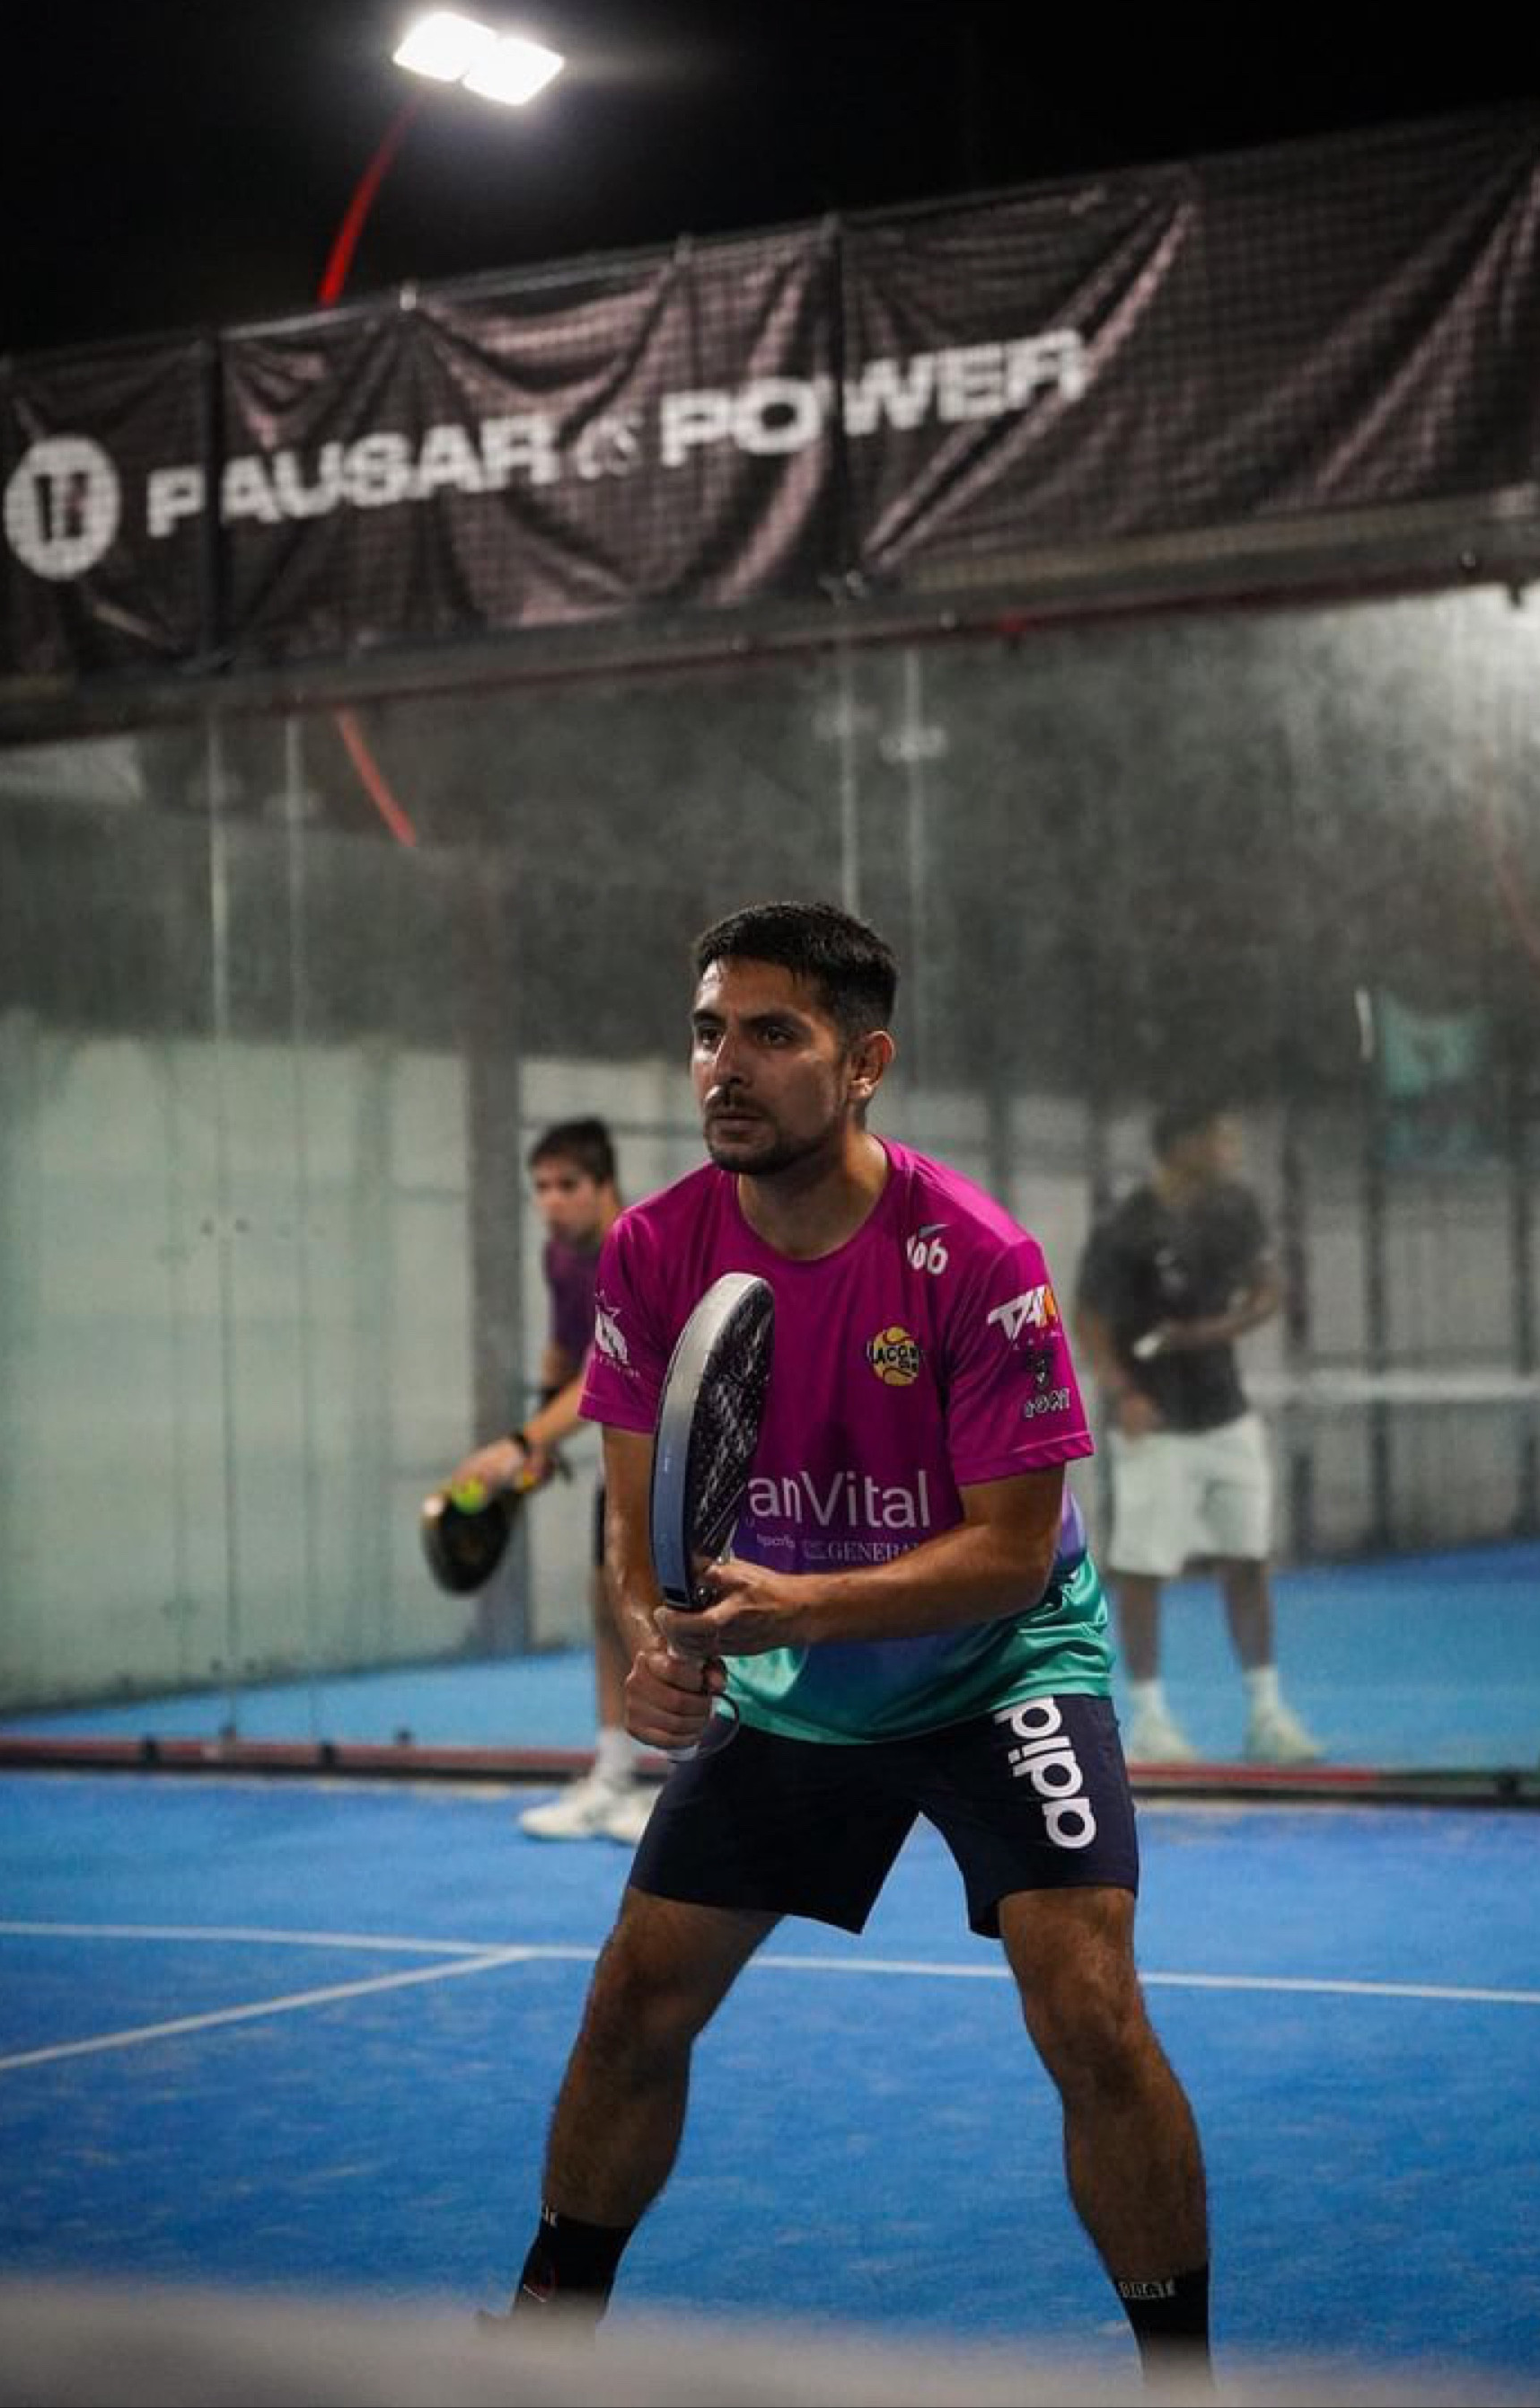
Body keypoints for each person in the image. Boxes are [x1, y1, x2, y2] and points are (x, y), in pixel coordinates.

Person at [501, 902, 1212, 2393]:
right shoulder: (652, 1250)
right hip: (793, 1683)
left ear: (866, 1062)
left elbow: (1011, 1549)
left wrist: (800, 1608)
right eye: (709, 1031)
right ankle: (541, 2338)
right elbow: (640, 1530)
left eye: (774, 1033)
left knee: (1088, 2004)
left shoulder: (979, 1256)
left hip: (1000, 1664)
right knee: (635, 2001)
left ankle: (1183, 2378)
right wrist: (657, 1645)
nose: (726, 1065)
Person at [1072, 1102, 1323, 1768]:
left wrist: (1213, 1332)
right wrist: (1124, 1393)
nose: (1232, 1150)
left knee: (1248, 1560)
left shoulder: (1236, 1209)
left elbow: (1268, 1290)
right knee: (1143, 1569)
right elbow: (1089, 1319)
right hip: (1153, 1424)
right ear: (1183, 1145)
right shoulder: (1127, 1227)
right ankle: (1151, 1720)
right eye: (1221, 1138)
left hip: (1227, 1416)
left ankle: (1267, 1713)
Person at [448, 1116, 654, 1845]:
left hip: (683, 1449)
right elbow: (567, 1349)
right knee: (605, 1600)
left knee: (668, 1613)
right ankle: (614, 1776)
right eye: (540, 1187)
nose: (552, 1201)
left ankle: (685, 1785)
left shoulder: (638, 1248)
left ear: (605, 1186)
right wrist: (540, 1434)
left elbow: (605, 1371)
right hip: (622, 1449)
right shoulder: (562, 1257)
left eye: (568, 1185)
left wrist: (521, 1443)